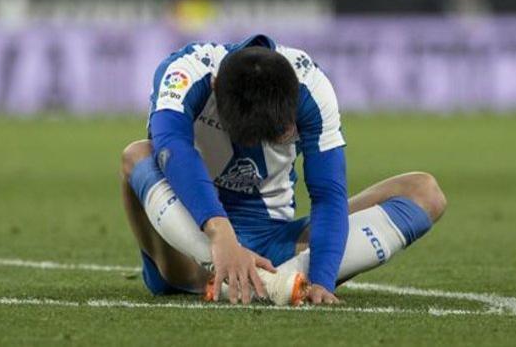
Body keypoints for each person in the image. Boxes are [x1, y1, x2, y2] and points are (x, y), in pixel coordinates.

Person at [120, 34, 447, 305]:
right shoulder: (184, 73)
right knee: (137, 154)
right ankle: (232, 271)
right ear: (217, 90)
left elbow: (328, 194)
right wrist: (221, 235)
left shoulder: (311, 88)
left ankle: (271, 279)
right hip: (188, 245)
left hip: (274, 243)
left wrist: (322, 279)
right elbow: (173, 150)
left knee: (424, 192)